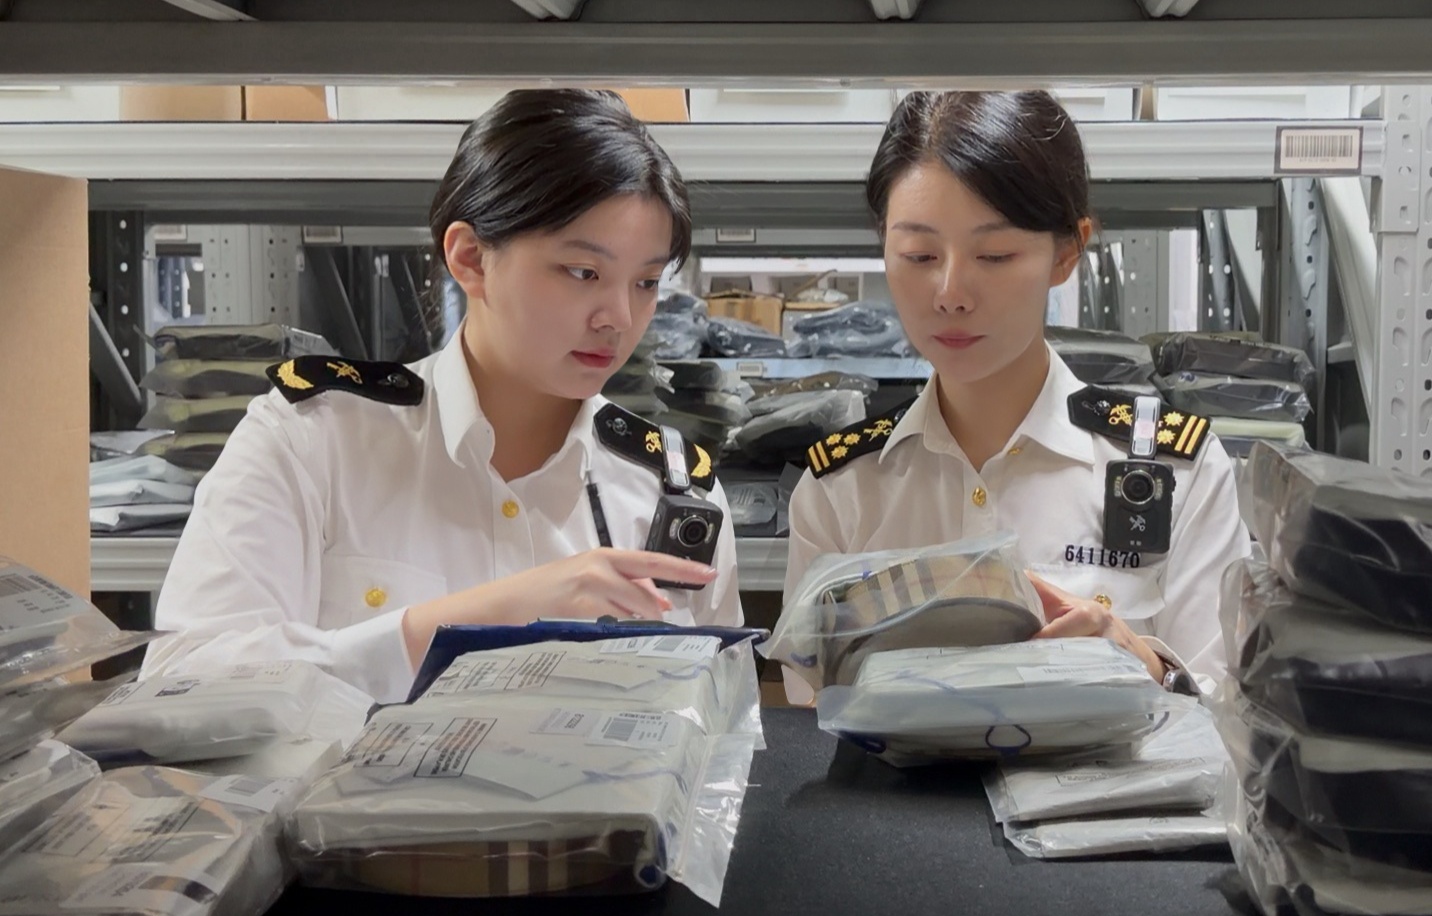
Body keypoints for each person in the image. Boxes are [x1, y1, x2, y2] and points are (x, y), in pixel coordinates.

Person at [141, 89, 743, 705]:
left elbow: (721, 726)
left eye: (646, 282)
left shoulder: (674, 494)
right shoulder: (314, 439)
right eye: (583, 272)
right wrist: (467, 625)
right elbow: (179, 690)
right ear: (471, 258)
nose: (619, 317)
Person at [784, 90, 1251, 703]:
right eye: (919, 255)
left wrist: (1144, 663)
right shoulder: (841, 490)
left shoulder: (1179, 473)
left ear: (1067, 252)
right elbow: (812, 720)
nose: (951, 293)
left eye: (995, 255)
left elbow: (1229, 719)